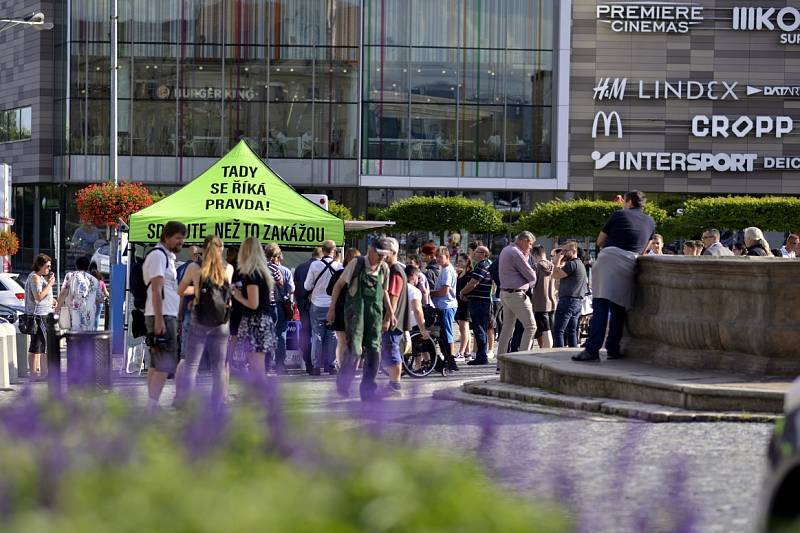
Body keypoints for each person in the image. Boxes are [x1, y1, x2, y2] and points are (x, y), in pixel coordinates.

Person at [574, 191, 655, 362]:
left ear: (630, 202)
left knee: (601, 306)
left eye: (625, 201)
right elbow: (644, 249)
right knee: (618, 309)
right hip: (630, 263)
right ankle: (613, 348)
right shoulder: (650, 221)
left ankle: (592, 350)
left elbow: (600, 241)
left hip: (609, 259)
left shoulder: (619, 214)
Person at [328, 238, 393, 401]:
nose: (381, 259)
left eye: (385, 256)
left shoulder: (384, 269)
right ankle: (343, 383)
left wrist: (390, 313)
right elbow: (338, 285)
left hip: (375, 314)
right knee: (355, 350)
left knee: (374, 350)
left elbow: (384, 291)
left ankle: (368, 390)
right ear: (371, 250)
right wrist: (331, 309)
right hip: (355, 313)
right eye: (379, 255)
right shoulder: (356, 264)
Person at [175, 235, 231, 405]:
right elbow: (227, 296)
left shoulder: (194, 267)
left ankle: (188, 402)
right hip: (221, 321)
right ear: (220, 249)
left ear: (203, 249)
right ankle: (218, 402)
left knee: (192, 364)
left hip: (199, 319)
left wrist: (197, 290)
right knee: (219, 366)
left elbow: (180, 290)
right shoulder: (228, 268)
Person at [143, 221, 187, 411]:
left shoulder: (165, 256)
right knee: (164, 363)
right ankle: (152, 406)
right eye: (178, 238)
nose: (181, 242)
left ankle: (152, 403)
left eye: (182, 239)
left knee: (156, 363)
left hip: (164, 314)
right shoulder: (158, 256)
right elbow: (156, 288)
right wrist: (160, 318)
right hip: (161, 315)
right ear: (167, 236)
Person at [232, 237, 276, 378]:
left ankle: (263, 398)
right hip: (262, 321)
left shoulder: (252, 275)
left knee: (256, 368)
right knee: (257, 367)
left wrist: (237, 295)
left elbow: (253, 303)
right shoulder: (262, 273)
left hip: (255, 323)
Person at [303, 240, 342, 375]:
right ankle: (331, 365)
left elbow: (307, 286)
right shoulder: (339, 267)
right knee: (332, 335)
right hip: (333, 305)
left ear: (323, 251)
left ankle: (315, 366)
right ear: (334, 250)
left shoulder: (315, 265)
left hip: (317, 304)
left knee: (317, 335)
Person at [496, 231, 538, 357]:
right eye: (530, 244)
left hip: (505, 293)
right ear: (523, 240)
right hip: (516, 294)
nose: (530, 247)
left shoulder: (506, 249)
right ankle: (522, 360)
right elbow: (531, 275)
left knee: (507, 329)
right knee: (531, 327)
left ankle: (501, 363)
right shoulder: (516, 253)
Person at [378, 237, 409, 396]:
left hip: (392, 321)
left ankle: (395, 386)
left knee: (392, 350)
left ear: (394, 252)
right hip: (394, 320)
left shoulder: (395, 271)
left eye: (385, 253)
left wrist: (387, 319)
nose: (382, 255)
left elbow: (393, 297)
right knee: (390, 350)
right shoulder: (393, 269)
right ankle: (393, 384)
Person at [327, 248, 361, 371]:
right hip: (356, 311)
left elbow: (329, 290)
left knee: (342, 341)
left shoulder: (339, 274)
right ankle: (353, 369)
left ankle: (342, 368)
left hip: (340, 310)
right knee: (355, 341)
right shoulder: (361, 275)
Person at [459, 245, 493, 365]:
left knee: (479, 329)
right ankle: (481, 355)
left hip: (479, 302)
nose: (474, 254)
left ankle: (481, 356)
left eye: (477, 252)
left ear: (484, 254)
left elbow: (474, 283)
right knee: (480, 329)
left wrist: (462, 292)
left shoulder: (482, 266)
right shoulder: (483, 265)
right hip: (480, 301)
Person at [552, 241, 589, 348]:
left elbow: (555, 275)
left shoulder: (571, 264)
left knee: (559, 331)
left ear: (573, 251)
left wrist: (557, 261)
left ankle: (558, 358)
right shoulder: (580, 264)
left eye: (565, 251)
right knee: (572, 332)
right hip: (577, 302)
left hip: (567, 301)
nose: (563, 253)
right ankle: (571, 354)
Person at [24, 254, 55, 379]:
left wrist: (52, 300)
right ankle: (42, 372)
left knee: (37, 344)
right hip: (39, 315)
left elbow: (42, 296)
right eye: (47, 266)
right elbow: (38, 297)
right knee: (42, 345)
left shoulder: (39, 277)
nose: (49, 269)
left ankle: (36, 372)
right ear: (40, 265)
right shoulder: (35, 278)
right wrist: (50, 284)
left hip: (41, 313)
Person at [265, 244, 294, 374]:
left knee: (266, 335)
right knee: (281, 336)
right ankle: (280, 365)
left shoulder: (262, 269)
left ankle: (266, 365)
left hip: (265, 305)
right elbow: (291, 289)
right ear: (277, 256)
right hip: (281, 305)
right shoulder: (285, 271)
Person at [430, 246, 459, 372]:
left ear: (447, 257)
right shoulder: (444, 269)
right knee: (443, 333)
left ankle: (451, 359)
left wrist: (431, 293)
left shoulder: (447, 270)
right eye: (437, 257)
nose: (438, 259)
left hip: (447, 305)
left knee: (447, 333)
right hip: (442, 305)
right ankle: (447, 357)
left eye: (440, 257)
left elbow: (445, 291)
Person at [294, 247, 322, 373]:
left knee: (306, 333)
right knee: (319, 334)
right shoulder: (321, 267)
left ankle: (308, 362)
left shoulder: (300, 268)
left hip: (303, 305)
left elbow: (295, 288)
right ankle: (319, 362)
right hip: (318, 304)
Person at [56, 256, 102, 332]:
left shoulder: (70, 276)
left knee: (73, 338)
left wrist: (57, 308)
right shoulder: (94, 280)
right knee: (86, 338)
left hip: (73, 314)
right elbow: (100, 299)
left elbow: (63, 292)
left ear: (76, 265)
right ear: (88, 267)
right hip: (88, 316)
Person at [531, 245, 557, 349]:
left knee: (545, 330)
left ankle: (547, 351)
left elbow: (531, 284)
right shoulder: (553, 266)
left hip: (540, 302)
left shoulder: (536, 266)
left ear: (535, 255)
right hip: (552, 302)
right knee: (550, 329)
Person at [454, 253, 472, 360]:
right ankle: (467, 352)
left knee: (464, 327)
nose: (459, 263)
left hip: (466, 303)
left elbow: (471, 286)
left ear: (467, 261)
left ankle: (461, 351)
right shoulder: (460, 273)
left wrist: (465, 295)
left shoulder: (470, 274)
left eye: (461, 261)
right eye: (458, 260)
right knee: (464, 329)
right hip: (459, 302)